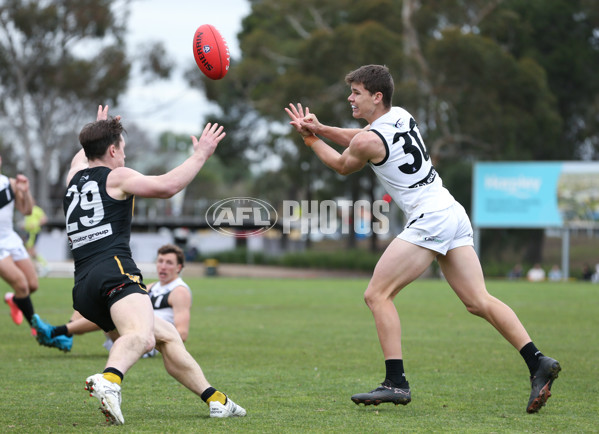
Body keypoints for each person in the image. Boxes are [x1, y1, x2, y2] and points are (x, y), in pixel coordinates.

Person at [285, 65, 560, 414]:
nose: (350, 97)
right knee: (478, 300)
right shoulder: (399, 115)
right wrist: (322, 127)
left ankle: (395, 382)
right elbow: (361, 136)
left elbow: (343, 163)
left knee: (377, 295)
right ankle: (537, 361)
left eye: (356, 92)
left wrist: (311, 139)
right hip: (452, 211)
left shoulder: (369, 139)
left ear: (376, 96)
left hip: (429, 218)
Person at [33, 105, 245, 425]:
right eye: (123, 150)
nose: (125, 158)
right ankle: (110, 380)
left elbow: (86, 151)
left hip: (84, 285)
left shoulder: (73, 177)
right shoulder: (116, 176)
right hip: (114, 269)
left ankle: (216, 400)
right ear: (112, 149)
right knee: (142, 337)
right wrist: (201, 154)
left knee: (166, 335)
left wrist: (103, 127)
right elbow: (166, 186)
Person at [0, 155, 69, 349]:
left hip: (10, 238)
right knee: (21, 284)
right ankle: (38, 330)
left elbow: (28, 211)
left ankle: (13, 300)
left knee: (32, 284)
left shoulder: (10, 183)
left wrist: (25, 191)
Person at [23, 204, 49, 276]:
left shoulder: (36, 209)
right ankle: (36, 268)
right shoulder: (27, 210)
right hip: (29, 232)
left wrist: (35, 224)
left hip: (33, 232)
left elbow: (44, 219)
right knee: (30, 251)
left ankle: (44, 266)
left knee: (30, 250)